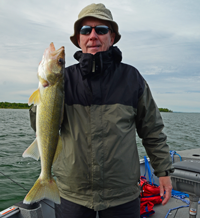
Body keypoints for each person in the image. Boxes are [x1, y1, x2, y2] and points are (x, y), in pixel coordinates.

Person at [30, 3, 174, 218]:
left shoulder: (132, 78)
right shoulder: (64, 79)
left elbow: (152, 130)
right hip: (72, 192)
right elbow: (42, 126)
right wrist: (41, 97)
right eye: (86, 30)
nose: (93, 35)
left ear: (112, 37)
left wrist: (163, 172)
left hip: (122, 194)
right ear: (79, 39)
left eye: (102, 30)